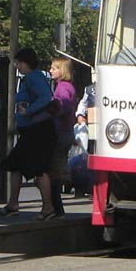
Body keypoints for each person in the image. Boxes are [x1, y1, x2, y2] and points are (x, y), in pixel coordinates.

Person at [0, 48, 57, 220]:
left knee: (39, 168)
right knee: (15, 164)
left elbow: (46, 97)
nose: (16, 66)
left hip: (39, 131)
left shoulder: (33, 78)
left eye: (18, 63)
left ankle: (48, 207)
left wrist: (29, 111)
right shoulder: (32, 78)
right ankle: (13, 203)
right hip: (32, 130)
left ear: (25, 63)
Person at [47, 57, 77, 218]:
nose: (51, 70)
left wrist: (50, 110)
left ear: (62, 70)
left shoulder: (63, 88)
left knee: (53, 169)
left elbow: (62, 106)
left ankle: (56, 208)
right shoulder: (67, 86)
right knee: (57, 167)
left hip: (60, 132)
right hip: (67, 132)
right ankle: (56, 207)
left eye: (54, 68)